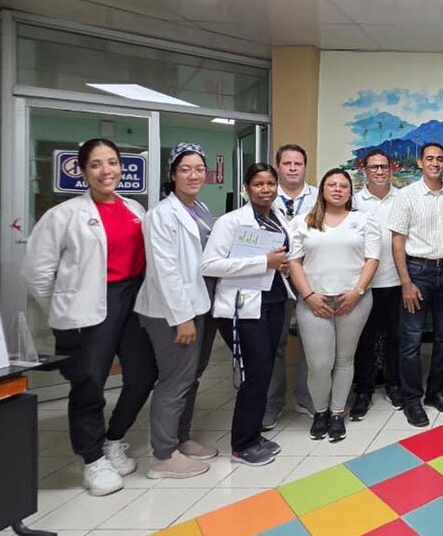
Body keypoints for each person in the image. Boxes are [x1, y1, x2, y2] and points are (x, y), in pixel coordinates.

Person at [23, 138, 156, 496]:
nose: (106, 171)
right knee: (89, 384)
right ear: (83, 171)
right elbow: (36, 272)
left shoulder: (134, 209)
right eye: (96, 164)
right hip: (88, 308)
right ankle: (93, 458)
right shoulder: (64, 215)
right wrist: (62, 307)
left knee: (144, 375)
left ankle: (114, 438)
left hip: (132, 301)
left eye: (112, 162)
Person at [133, 143, 219, 480]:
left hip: (199, 304)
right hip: (171, 312)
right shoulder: (161, 215)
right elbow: (164, 270)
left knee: (191, 376)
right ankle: (162, 457)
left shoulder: (199, 208)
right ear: (172, 174)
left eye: (199, 168)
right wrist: (181, 318)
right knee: (175, 380)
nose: (194, 174)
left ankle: (180, 440)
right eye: (186, 169)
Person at [201, 163, 291, 467]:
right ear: (246, 188)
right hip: (242, 306)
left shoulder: (277, 218)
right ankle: (241, 445)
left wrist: (281, 265)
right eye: (258, 184)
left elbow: (279, 258)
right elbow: (209, 265)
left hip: (274, 301)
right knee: (255, 372)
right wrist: (262, 262)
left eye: (270, 184)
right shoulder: (230, 222)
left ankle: (253, 435)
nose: (265, 190)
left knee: (264, 371)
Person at [287, 168, 380, 442]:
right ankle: (320, 411)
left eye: (343, 185)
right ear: (323, 190)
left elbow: (372, 259)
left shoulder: (363, 220)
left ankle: (337, 412)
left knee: (344, 360)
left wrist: (357, 292)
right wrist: (309, 296)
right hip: (314, 300)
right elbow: (294, 262)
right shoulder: (303, 222)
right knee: (319, 363)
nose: (337, 189)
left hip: (354, 299)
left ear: (350, 192)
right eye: (332, 185)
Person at [387, 142, 443, 427]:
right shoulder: (407, 195)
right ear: (420, 162)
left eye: (440, 159)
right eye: (429, 158)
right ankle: (412, 400)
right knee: (410, 341)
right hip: (417, 272)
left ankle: (435, 392)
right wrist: (405, 282)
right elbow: (397, 241)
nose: (435, 163)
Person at [264, 144, 317, 429]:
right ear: (278, 166)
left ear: (305, 166)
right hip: (276, 279)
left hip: (313, 277)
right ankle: (272, 402)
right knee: (276, 342)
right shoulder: (265, 196)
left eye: (298, 163)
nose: (293, 168)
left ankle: (307, 396)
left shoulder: (320, 196)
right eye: (287, 163)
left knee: (313, 341)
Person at [350, 150, 404, 418]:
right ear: (365, 170)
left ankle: (394, 384)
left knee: (394, 337)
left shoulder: (403, 198)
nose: (380, 172)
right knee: (365, 340)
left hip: (396, 280)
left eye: (384, 167)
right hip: (365, 283)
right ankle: (364, 390)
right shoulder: (354, 201)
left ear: (391, 169)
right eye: (374, 167)